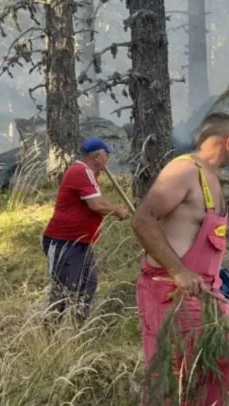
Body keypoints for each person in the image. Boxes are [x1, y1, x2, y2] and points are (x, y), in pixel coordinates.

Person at [131, 113, 229, 406]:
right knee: (171, 379)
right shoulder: (183, 171)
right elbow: (143, 219)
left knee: (220, 362)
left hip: (207, 295)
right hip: (170, 294)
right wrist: (178, 270)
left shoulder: (212, 179)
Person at [42, 137, 131, 324]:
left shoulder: (87, 174)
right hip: (64, 242)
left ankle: (77, 327)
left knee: (87, 284)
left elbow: (99, 200)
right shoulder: (82, 171)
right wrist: (118, 212)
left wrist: (118, 208)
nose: (108, 160)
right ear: (97, 157)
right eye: (106, 155)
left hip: (80, 241)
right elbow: (96, 205)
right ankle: (50, 333)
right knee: (65, 290)